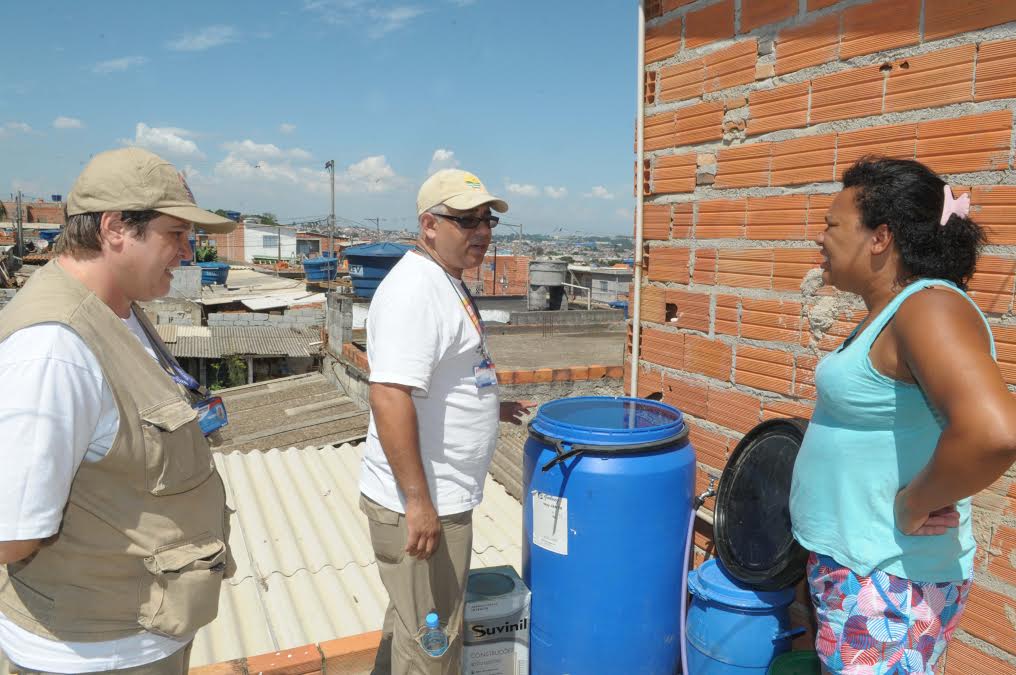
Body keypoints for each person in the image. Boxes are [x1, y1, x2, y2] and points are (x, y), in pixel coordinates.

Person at [0, 147, 237, 674]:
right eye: (175, 234)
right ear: (114, 229)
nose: (187, 251)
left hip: (140, 634)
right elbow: (12, 532)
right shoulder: (53, 350)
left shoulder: (119, 311)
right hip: (90, 653)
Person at [790, 157, 1016, 674]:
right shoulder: (894, 313)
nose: (819, 240)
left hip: (890, 582)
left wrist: (916, 501)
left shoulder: (928, 307)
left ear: (880, 237)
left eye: (831, 225)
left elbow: (995, 432)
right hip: (861, 570)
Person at [360, 169, 533, 674]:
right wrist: (418, 503)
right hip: (423, 504)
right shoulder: (415, 291)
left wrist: (486, 406)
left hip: (441, 497)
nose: (481, 232)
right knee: (434, 643)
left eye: (486, 221)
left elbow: (441, 376)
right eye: (465, 221)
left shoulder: (444, 279)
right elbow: (389, 397)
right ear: (429, 225)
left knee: (411, 620)